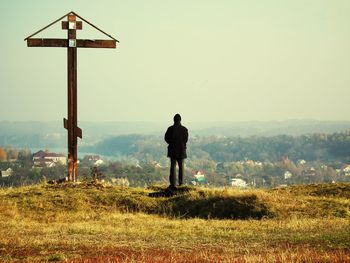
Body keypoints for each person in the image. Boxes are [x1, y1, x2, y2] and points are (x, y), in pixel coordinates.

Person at [164, 114, 188, 190]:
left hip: (172, 149)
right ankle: (181, 183)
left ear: (174, 120)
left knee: (173, 166)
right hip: (181, 150)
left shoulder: (170, 129)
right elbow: (186, 140)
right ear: (180, 120)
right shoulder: (184, 129)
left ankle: (173, 184)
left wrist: (171, 143)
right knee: (181, 167)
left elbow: (166, 138)